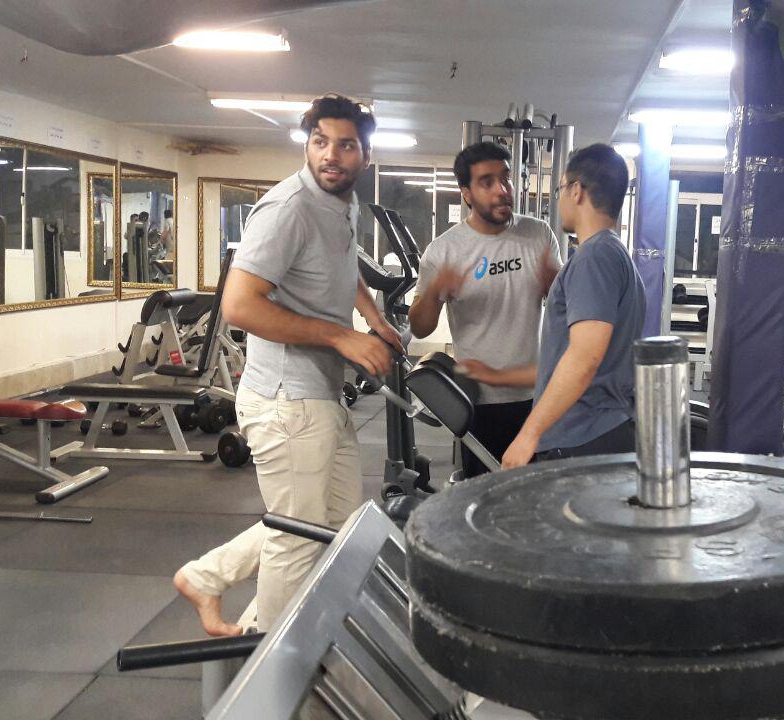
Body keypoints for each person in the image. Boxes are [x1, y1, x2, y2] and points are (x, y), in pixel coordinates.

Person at [172, 94, 402, 637]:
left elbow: (343, 265)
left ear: (365, 156)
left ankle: (207, 577)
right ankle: (267, 662)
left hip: (318, 393)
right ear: (307, 144)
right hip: (285, 401)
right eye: (320, 142)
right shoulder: (289, 209)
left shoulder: (341, 203)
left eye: (345, 145)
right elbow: (239, 306)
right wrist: (342, 336)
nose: (331, 155)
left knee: (335, 525)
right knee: (299, 536)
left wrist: (373, 318)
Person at [462, 143, 645, 467]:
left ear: (576, 191)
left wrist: (528, 435)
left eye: (560, 188)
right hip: (596, 434)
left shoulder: (594, 258)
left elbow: (584, 357)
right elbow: (567, 358)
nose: (559, 199)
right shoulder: (614, 255)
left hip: (582, 438)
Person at [408, 141, 560, 477]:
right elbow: (420, 328)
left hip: (536, 394)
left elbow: (561, 305)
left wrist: (555, 285)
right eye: (487, 182)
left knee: (535, 494)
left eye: (505, 179)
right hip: (481, 399)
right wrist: (434, 292)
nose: (502, 190)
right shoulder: (444, 250)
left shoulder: (538, 234)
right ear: (466, 193)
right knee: (485, 495)